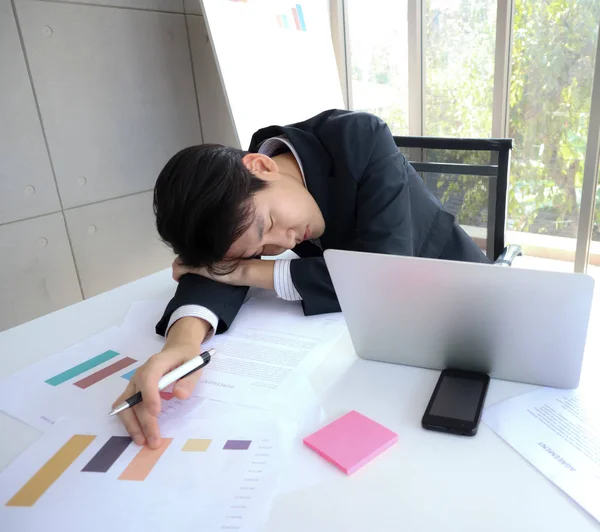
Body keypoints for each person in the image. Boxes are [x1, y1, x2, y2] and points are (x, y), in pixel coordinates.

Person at [113, 109, 489, 447]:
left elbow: (382, 274)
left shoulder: (360, 138)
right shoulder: (237, 198)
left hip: (465, 297)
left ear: (261, 166)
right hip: (379, 339)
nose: (285, 242)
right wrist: (181, 344)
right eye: (257, 248)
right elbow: (217, 266)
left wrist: (244, 269)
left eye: (272, 224)